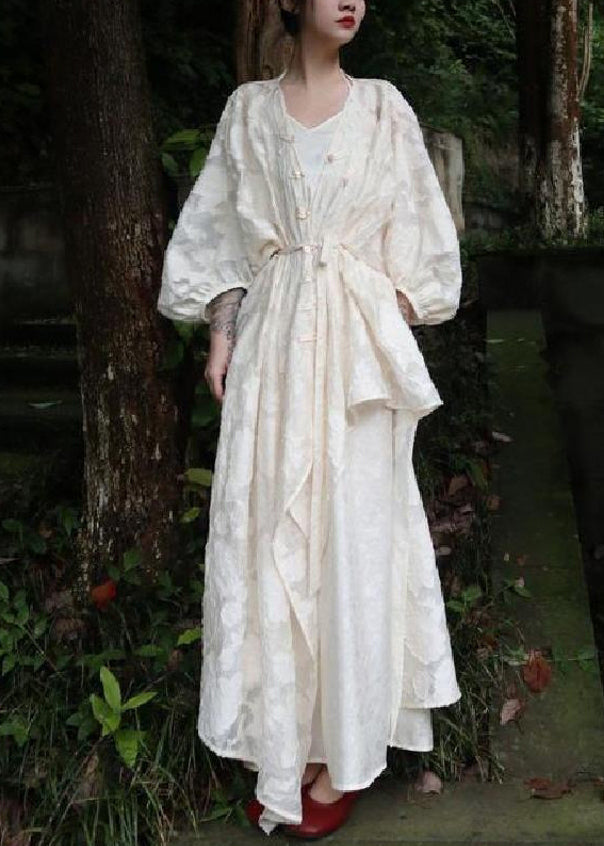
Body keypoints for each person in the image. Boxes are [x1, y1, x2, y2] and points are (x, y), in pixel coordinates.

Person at [157, 0, 463, 838]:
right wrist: (222, 332)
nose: (350, 0)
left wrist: (375, 315)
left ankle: (344, 748)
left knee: (353, 541)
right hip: (274, 356)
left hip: (357, 363)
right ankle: (283, 743)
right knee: (272, 537)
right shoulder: (249, 111)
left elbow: (423, 235)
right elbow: (219, 232)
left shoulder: (384, 108)